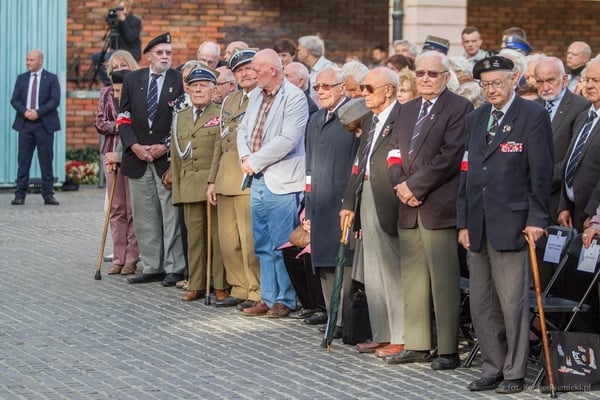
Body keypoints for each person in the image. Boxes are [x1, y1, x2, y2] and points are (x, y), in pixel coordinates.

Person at [458, 56, 553, 394]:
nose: (491, 90)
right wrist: (463, 221)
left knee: (512, 302)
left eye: (497, 83)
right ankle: (492, 365)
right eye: (485, 85)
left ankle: (514, 371)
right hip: (478, 222)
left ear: (514, 79)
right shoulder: (476, 117)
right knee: (481, 302)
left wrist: (537, 219)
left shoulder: (533, 116)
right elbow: (466, 172)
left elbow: (541, 175)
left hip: (513, 222)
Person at [385, 51, 472, 369]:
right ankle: (419, 343)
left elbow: (451, 156)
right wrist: (399, 185)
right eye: (420, 73)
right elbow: (393, 152)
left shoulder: (459, 107)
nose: (424, 78)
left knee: (443, 279)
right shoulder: (406, 110)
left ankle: (449, 349)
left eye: (432, 74)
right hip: (407, 206)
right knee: (414, 278)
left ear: (446, 77)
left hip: (437, 205)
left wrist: (415, 187)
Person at [236, 49, 308, 318]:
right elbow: (243, 130)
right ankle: (266, 297)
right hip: (256, 178)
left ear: (273, 71)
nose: (251, 74)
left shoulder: (295, 98)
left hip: (281, 179)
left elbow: (288, 139)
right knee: (262, 242)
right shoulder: (256, 95)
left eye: (256, 70)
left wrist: (254, 161)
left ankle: (285, 299)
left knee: (281, 243)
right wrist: (245, 156)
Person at [339, 67, 403, 358]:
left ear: (388, 90)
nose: (362, 94)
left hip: (388, 197)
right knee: (374, 272)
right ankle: (381, 333)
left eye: (368, 88)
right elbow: (358, 164)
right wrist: (349, 203)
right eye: (362, 88)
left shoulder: (402, 117)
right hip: (365, 194)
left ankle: (400, 335)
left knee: (391, 270)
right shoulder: (369, 120)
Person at [118, 32, 186, 286]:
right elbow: (123, 117)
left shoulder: (178, 80)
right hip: (137, 158)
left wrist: (163, 146)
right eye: (160, 53)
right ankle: (151, 265)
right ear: (148, 56)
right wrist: (133, 146)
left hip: (164, 160)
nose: (165, 57)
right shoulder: (132, 79)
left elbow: (182, 120)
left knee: (170, 217)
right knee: (145, 217)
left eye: (168, 52)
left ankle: (174, 267)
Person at [304, 66, 359, 333]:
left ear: (341, 87)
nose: (321, 92)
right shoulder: (315, 120)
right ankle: (331, 315)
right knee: (324, 260)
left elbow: (358, 163)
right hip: (320, 201)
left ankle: (343, 318)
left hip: (343, 201)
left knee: (343, 260)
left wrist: (352, 200)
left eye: (327, 86)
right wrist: (307, 203)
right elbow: (309, 168)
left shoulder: (354, 116)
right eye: (317, 87)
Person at [207, 49, 261, 309]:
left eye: (249, 68)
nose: (245, 74)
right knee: (228, 242)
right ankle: (238, 286)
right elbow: (220, 142)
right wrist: (211, 180)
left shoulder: (263, 98)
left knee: (249, 240)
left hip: (248, 177)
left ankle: (256, 290)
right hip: (225, 178)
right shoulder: (230, 101)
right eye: (239, 71)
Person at [171, 66, 224, 302]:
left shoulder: (221, 114)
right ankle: (197, 283)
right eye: (194, 86)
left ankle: (220, 284)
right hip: (190, 184)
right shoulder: (180, 117)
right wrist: (178, 191)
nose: (198, 89)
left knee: (217, 238)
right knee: (194, 238)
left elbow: (223, 151)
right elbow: (176, 156)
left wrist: (217, 182)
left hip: (213, 184)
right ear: (188, 90)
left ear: (214, 90)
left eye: (204, 85)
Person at [556, 59, 600, 332]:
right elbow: (570, 160)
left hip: (591, 216)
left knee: (589, 292)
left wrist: (591, 214)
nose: (589, 85)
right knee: (572, 284)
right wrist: (564, 203)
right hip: (572, 212)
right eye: (587, 79)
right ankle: (575, 348)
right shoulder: (585, 115)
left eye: (596, 81)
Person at [94, 51, 140, 276]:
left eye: (123, 64)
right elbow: (100, 122)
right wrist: (121, 125)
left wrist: (125, 126)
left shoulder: (138, 90)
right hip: (111, 150)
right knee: (116, 207)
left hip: (132, 151)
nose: (119, 69)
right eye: (115, 66)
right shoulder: (106, 92)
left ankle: (132, 257)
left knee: (133, 207)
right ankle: (118, 256)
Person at [534, 56, 590, 222]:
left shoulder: (581, 107)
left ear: (564, 79)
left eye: (550, 80)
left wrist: (542, 180)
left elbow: (576, 155)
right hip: (532, 199)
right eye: (540, 82)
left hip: (561, 200)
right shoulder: (532, 107)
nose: (545, 87)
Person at [10, 49, 61, 206]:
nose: (28, 62)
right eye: (27, 59)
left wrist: (38, 113)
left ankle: (48, 195)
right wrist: (25, 111)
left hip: (44, 125)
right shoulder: (21, 79)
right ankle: (20, 195)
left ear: (40, 61)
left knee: (46, 161)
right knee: (23, 161)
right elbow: (15, 100)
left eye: (31, 60)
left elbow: (55, 100)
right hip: (25, 125)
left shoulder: (51, 78)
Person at [91, 0, 142, 85]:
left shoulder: (135, 21)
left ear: (127, 8)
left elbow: (131, 37)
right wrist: (110, 47)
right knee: (96, 57)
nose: (119, 11)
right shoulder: (115, 20)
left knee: (109, 57)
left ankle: (115, 81)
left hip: (130, 51)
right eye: (118, 8)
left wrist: (123, 21)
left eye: (122, 8)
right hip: (116, 50)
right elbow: (114, 36)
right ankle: (107, 83)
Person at [297, 35, 333, 102]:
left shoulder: (327, 69)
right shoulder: (312, 69)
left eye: (299, 50)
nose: (298, 53)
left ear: (307, 52)